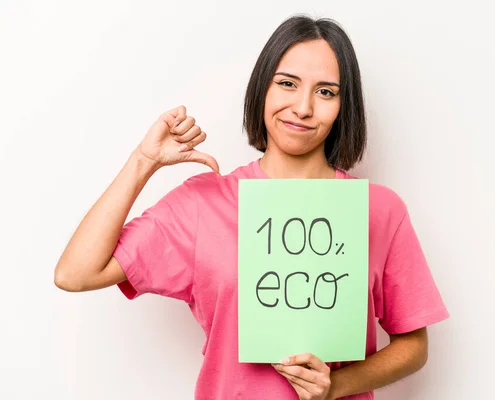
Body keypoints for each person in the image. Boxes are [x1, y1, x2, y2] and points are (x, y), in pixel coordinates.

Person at [54, 14, 449, 400]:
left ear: (344, 107)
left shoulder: (379, 209)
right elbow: (76, 273)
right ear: (262, 89)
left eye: (326, 91)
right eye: (287, 84)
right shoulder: (203, 203)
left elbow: (413, 345)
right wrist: (144, 160)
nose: (303, 107)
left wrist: (337, 386)